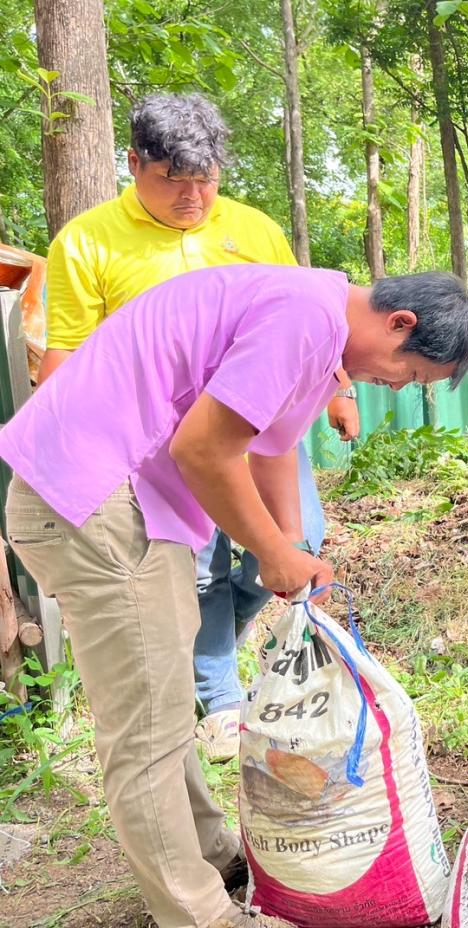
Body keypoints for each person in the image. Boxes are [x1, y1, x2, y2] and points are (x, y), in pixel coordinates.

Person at [1, 264, 468, 928]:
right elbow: (203, 449)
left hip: (121, 503)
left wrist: (291, 542)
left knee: (163, 706)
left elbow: (271, 445)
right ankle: (200, 916)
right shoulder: (305, 318)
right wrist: (272, 553)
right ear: (401, 324)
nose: (396, 386)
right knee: (146, 730)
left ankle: (211, 853)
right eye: (411, 372)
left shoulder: (320, 328)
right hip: (97, 501)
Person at [37, 93, 362, 761]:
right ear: (134, 164)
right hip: (163, 442)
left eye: (206, 180)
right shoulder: (87, 240)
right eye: (172, 180)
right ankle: (220, 698)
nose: (193, 198)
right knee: (203, 567)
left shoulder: (254, 229)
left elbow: (311, 318)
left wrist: (341, 389)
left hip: (259, 425)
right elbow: (67, 351)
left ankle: (214, 652)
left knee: (295, 539)